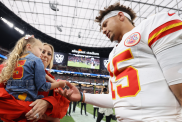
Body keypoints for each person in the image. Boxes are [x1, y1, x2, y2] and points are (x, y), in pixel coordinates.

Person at [56, 2, 182, 122]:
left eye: (105, 24)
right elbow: (117, 99)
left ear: (120, 16)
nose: (103, 30)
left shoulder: (151, 25)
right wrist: (83, 97)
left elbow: (178, 77)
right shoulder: (113, 54)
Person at [0, 41, 70, 121]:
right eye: (42, 51)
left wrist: (48, 102)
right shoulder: (9, 67)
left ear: (51, 59)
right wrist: (33, 108)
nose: (45, 55)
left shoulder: (53, 80)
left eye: (49, 54)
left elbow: (60, 112)